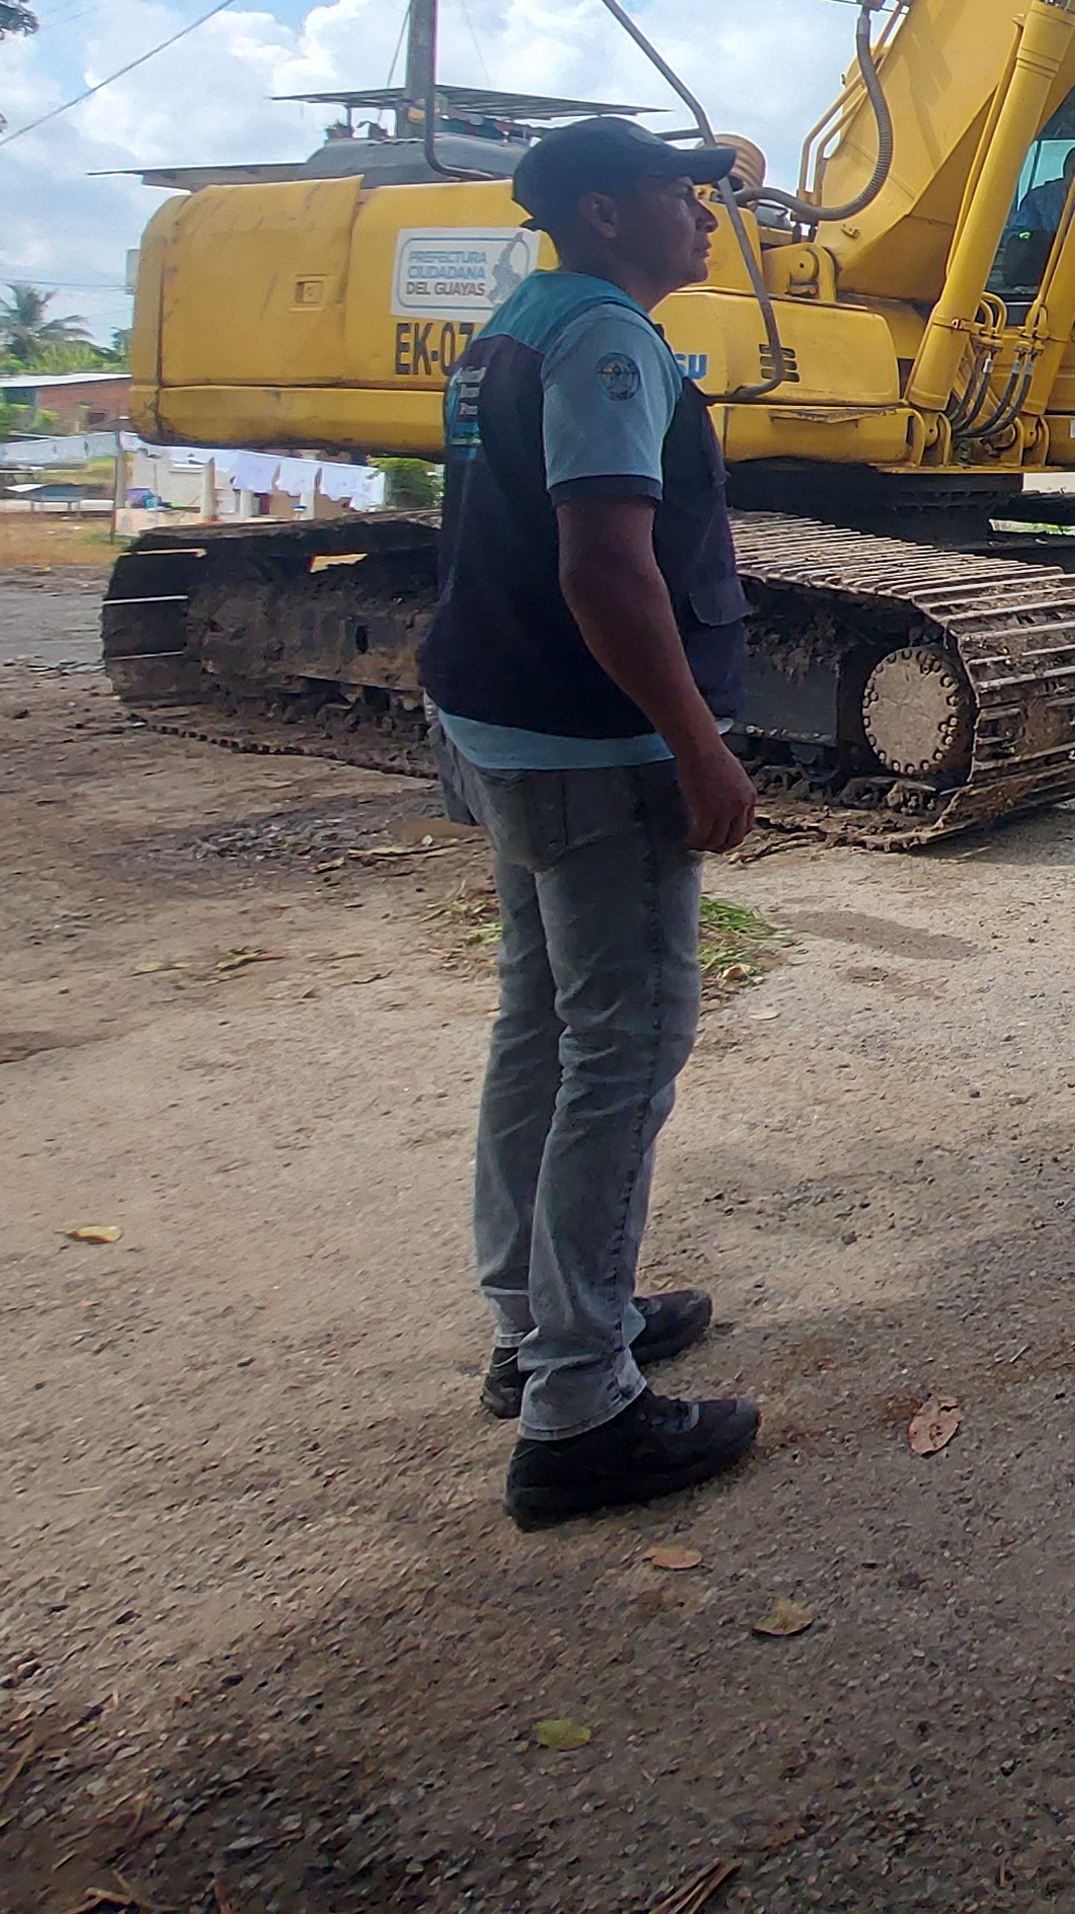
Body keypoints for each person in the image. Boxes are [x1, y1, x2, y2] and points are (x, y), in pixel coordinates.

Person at [419, 115, 765, 1529]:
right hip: (590, 744)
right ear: (610, 212)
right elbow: (607, 567)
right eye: (685, 195)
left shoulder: (521, 321)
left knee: (541, 1025)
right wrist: (698, 746)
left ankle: (541, 1322)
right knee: (624, 1047)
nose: (706, 215)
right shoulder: (611, 339)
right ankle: (582, 1408)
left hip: (501, 722)